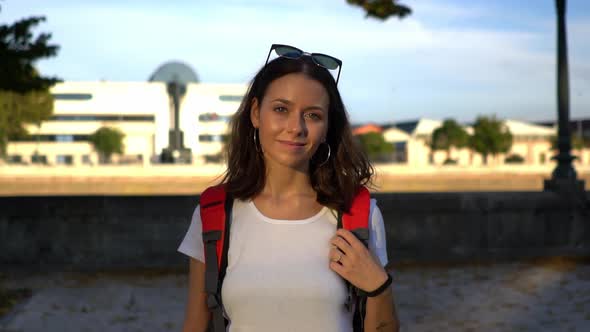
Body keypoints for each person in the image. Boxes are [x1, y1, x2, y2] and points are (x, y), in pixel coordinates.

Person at [178, 44, 400, 332]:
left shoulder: (359, 213)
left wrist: (378, 286)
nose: (296, 127)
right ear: (256, 113)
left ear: (327, 128)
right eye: (281, 109)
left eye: (313, 115)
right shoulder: (214, 214)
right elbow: (195, 325)